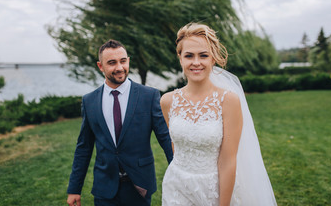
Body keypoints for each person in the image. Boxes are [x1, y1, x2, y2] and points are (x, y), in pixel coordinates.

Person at [160, 23, 277, 205]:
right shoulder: (167, 101)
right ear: (180, 58)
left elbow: (228, 161)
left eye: (203, 55)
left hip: (213, 189)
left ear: (213, 59)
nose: (196, 62)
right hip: (176, 187)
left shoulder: (228, 101)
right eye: (189, 55)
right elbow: (177, 147)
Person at [66, 39, 173, 206]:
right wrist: (74, 189)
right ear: (100, 66)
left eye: (123, 61)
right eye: (112, 63)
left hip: (140, 185)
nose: (119, 67)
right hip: (104, 188)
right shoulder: (89, 101)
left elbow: (165, 138)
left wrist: (179, 173)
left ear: (128, 61)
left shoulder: (149, 96)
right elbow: (84, 147)